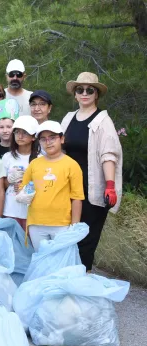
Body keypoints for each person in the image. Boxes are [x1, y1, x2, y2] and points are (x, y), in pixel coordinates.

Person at [61, 72, 123, 271]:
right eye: (80, 90)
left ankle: (82, 283)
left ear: (97, 94)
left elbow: (109, 155)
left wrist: (110, 186)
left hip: (92, 190)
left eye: (90, 90)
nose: (85, 93)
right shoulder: (68, 118)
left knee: (86, 240)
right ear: (75, 94)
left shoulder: (103, 121)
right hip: (67, 188)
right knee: (66, 236)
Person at [22, 121, 84, 249]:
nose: (48, 142)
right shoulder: (34, 164)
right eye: (43, 139)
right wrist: (23, 194)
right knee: (41, 259)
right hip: (36, 221)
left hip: (61, 224)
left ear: (61, 139)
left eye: (52, 137)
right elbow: (24, 188)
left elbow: (77, 198)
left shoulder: (72, 165)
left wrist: (74, 225)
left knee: (60, 262)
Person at [1, 116, 39, 229]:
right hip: (10, 210)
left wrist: (28, 188)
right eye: (17, 132)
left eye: (25, 133)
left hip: (31, 211)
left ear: (33, 137)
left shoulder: (40, 158)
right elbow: (1, 186)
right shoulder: (7, 157)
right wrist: (9, 180)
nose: (20, 136)